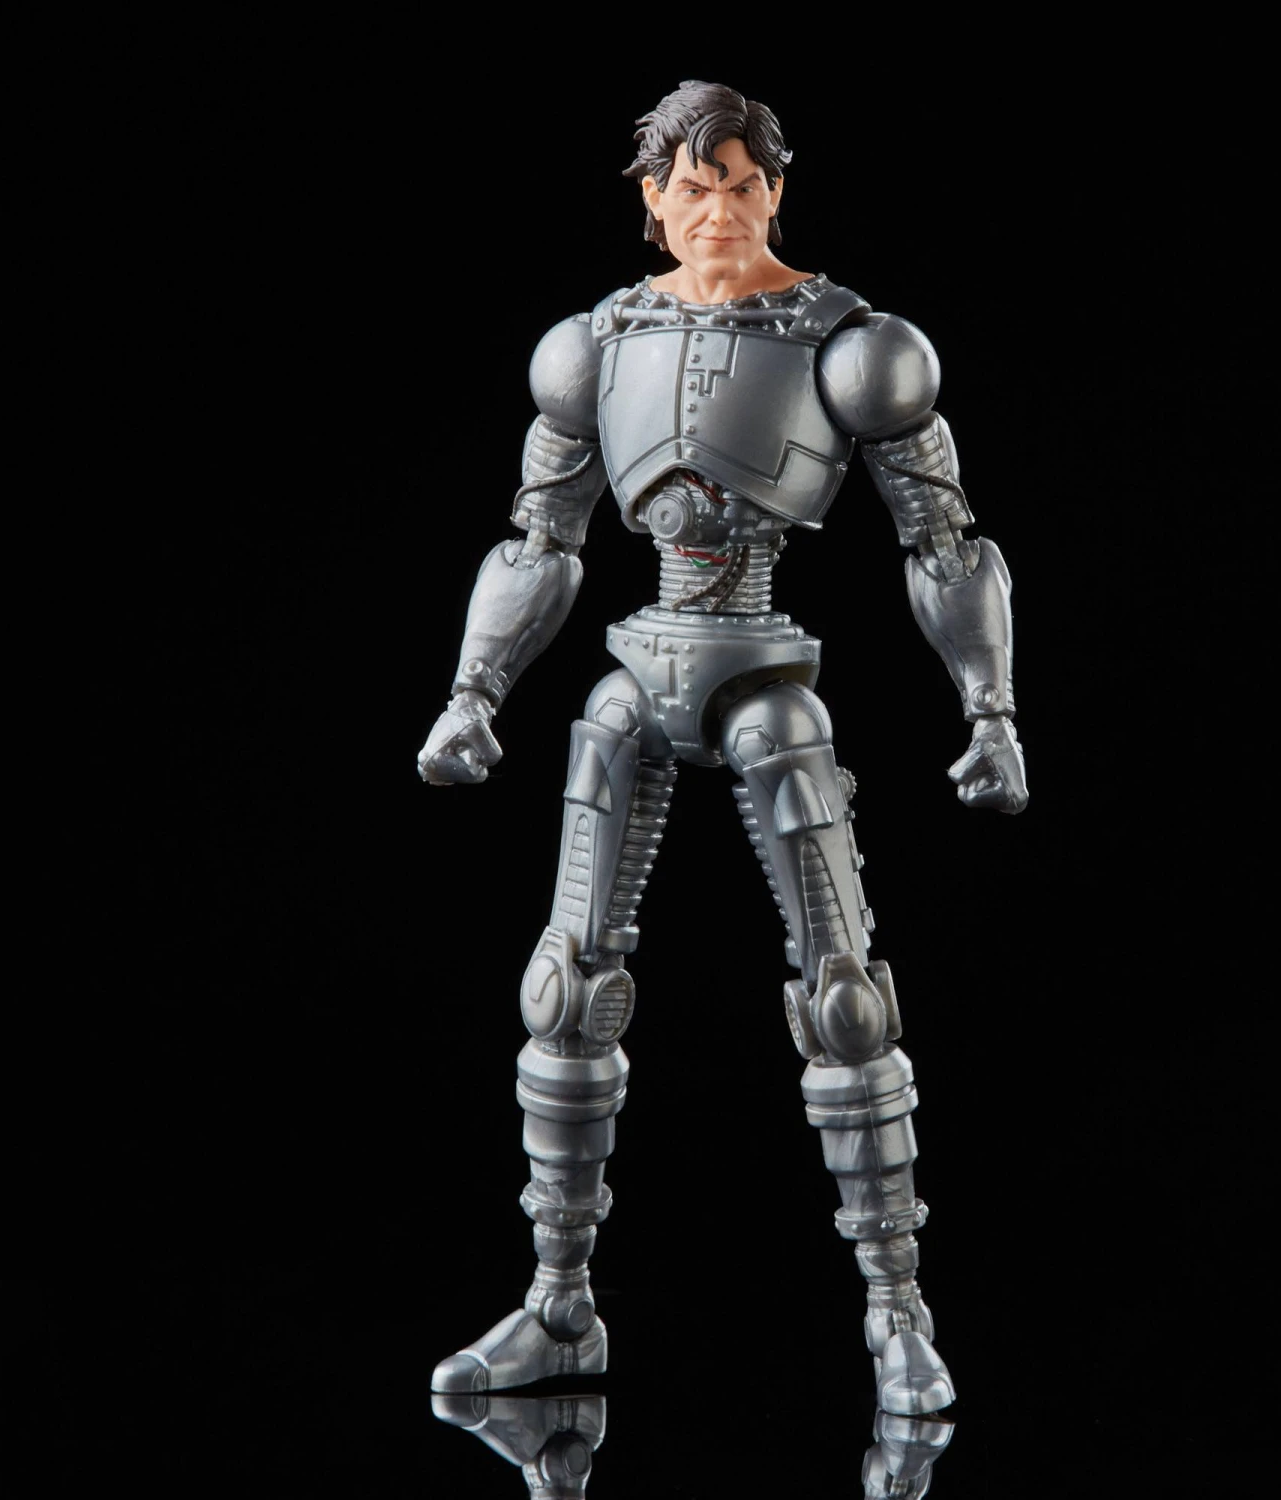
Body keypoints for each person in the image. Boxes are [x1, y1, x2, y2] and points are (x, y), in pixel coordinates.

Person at [417, 80, 1027, 1415]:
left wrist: (990, 710)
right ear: (653, 199)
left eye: (741, 185)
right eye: (692, 188)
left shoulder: (852, 345)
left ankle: (898, 1316)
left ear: (775, 191)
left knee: (845, 997)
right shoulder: (597, 343)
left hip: (763, 672)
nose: (717, 211)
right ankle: (557, 1304)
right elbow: (539, 541)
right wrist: (474, 692)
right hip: (635, 673)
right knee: (564, 990)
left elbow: (945, 543)